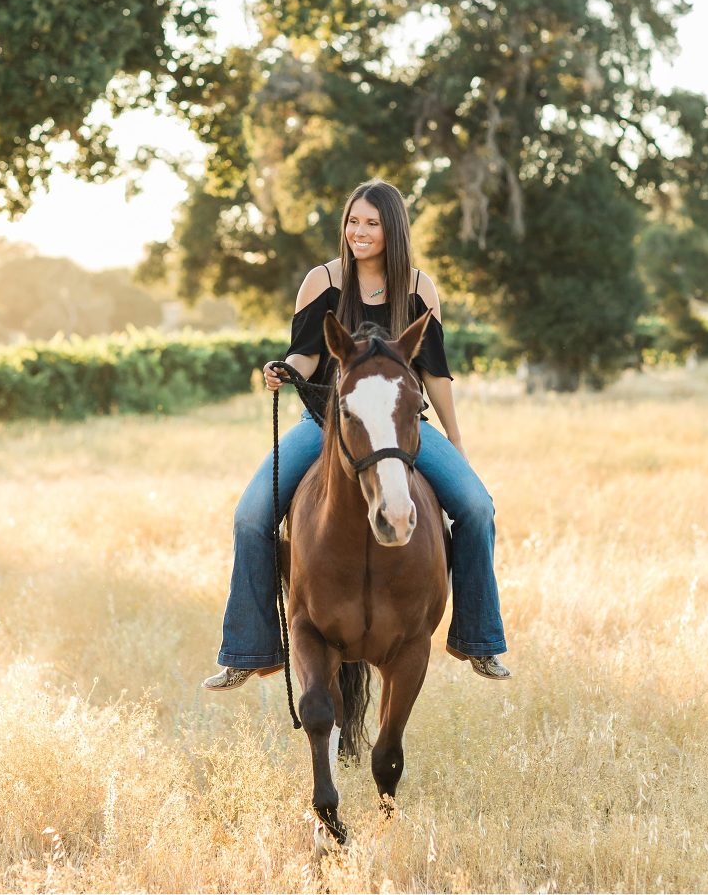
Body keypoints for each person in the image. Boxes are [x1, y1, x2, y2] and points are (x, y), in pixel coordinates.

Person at [203, 180, 510, 691]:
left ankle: (478, 638)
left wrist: (457, 442)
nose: (359, 232)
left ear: (392, 229)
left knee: (477, 506)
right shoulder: (320, 281)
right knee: (250, 515)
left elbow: (434, 372)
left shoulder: (418, 288)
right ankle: (247, 648)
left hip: (397, 426)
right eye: (352, 222)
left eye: (371, 223)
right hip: (326, 422)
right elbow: (304, 352)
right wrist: (284, 368)